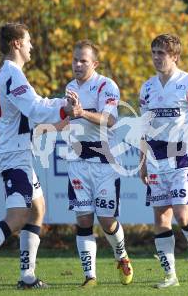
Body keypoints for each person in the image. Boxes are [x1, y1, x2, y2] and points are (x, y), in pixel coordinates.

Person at [0, 22, 75, 290]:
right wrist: (64, 108)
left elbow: (28, 113)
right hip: (12, 154)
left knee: (37, 209)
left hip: (18, 150)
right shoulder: (13, 74)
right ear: (16, 43)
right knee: (18, 216)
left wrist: (57, 118)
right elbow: (35, 108)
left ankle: (27, 276)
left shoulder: (11, 73)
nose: (32, 46)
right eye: (28, 41)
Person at [138, 34, 188, 288]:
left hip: (184, 158)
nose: (157, 58)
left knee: (182, 215)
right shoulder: (147, 88)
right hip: (157, 158)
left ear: (175, 56)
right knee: (161, 217)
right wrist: (143, 161)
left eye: (162, 53)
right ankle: (170, 276)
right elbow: (144, 128)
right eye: (154, 53)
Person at [63, 39, 133, 287]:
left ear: (95, 63)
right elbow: (70, 120)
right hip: (77, 161)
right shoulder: (70, 86)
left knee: (107, 221)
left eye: (83, 60)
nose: (78, 64)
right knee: (83, 219)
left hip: (105, 162)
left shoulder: (106, 85)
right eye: (75, 60)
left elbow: (110, 120)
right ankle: (90, 276)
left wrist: (81, 113)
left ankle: (121, 255)